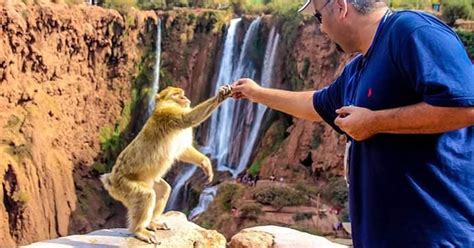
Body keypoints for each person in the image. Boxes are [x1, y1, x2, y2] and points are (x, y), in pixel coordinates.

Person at [231, 0, 474, 247]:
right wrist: (256, 93)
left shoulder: (412, 31)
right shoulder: (357, 68)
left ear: (340, 7)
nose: (322, 29)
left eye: (318, 17)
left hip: (437, 237)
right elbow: (315, 105)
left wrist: (375, 122)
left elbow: (467, 106)